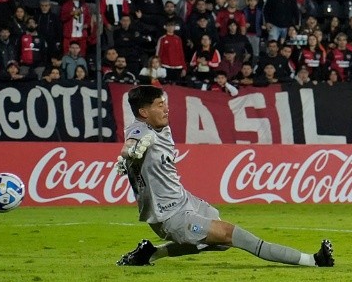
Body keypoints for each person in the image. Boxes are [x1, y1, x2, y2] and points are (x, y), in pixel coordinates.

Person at [115, 86, 335, 267]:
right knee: (232, 235)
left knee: (220, 243)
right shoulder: (140, 131)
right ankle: (313, 260)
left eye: (165, 103)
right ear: (144, 112)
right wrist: (129, 153)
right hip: (170, 216)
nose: (166, 109)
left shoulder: (160, 127)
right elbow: (129, 147)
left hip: (185, 201)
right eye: (160, 105)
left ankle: (151, 253)